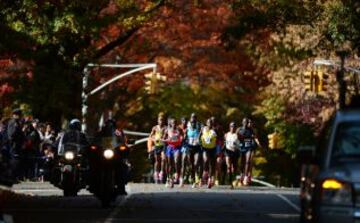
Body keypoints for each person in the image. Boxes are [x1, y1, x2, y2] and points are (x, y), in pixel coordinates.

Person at [237, 117, 261, 186]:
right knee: (242, 163)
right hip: (242, 148)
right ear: (242, 122)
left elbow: (255, 136)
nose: (246, 123)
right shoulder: (239, 129)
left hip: (249, 147)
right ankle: (242, 174)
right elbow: (235, 137)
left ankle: (246, 176)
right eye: (244, 122)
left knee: (248, 161)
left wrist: (258, 143)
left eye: (247, 122)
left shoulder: (251, 130)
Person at [181, 113, 202, 188]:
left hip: (197, 147)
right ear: (190, 119)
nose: (193, 120)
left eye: (195, 118)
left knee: (196, 163)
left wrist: (200, 137)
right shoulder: (187, 127)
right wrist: (184, 139)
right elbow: (183, 136)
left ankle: (196, 178)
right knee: (191, 165)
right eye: (192, 118)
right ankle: (192, 179)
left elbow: (203, 131)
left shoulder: (199, 126)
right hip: (189, 147)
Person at [163, 118, 183, 188]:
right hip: (169, 148)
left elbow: (182, 136)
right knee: (170, 164)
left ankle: (177, 173)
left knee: (177, 160)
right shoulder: (167, 130)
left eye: (175, 123)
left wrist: (181, 139)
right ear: (171, 124)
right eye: (173, 123)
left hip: (177, 148)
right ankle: (169, 178)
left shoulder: (179, 130)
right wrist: (166, 140)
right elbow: (163, 139)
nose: (174, 124)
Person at [7, 109, 25, 180]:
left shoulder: (17, 122)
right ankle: (11, 177)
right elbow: (11, 135)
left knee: (17, 161)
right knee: (14, 161)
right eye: (19, 115)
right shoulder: (13, 122)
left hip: (18, 145)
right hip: (14, 145)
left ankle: (14, 177)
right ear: (15, 115)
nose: (20, 117)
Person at [148, 113, 167, 184]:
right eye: (160, 120)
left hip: (163, 145)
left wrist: (164, 138)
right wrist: (154, 139)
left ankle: (161, 173)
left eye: (162, 120)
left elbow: (168, 135)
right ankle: (156, 173)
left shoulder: (166, 128)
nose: (161, 121)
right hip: (157, 145)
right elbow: (151, 136)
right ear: (158, 121)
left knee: (163, 159)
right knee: (157, 160)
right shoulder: (155, 128)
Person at [200, 118, 217, 188]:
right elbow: (199, 136)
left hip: (212, 149)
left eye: (210, 122)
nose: (209, 124)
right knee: (206, 160)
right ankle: (205, 172)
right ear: (206, 123)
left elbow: (216, 138)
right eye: (208, 122)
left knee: (212, 164)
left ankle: (210, 179)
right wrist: (200, 142)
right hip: (205, 148)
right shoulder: (203, 129)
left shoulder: (214, 131)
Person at [224, 122, 240, 189]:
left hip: (235, 152)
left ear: (235, 128)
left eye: (234, 126)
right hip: (228, 151)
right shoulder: (226, 134)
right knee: (229, 166)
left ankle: (234, 179)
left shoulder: (237, 135)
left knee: (234, 168)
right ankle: (230, 181)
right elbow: (224, 142)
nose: (232, 128)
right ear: (229, 127)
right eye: (231, 126)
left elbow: (240, 144)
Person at [211, 116, 225, 186]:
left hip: (218, 147)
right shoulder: (207, 128)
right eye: (211, 121)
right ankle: (211, 178)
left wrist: (222, 146)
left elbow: (223, 137)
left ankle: (217, 178)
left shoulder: (219, 128)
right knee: (211, 163)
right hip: (209, 147)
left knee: (218, 163)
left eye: (214, 120)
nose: (213, 122)